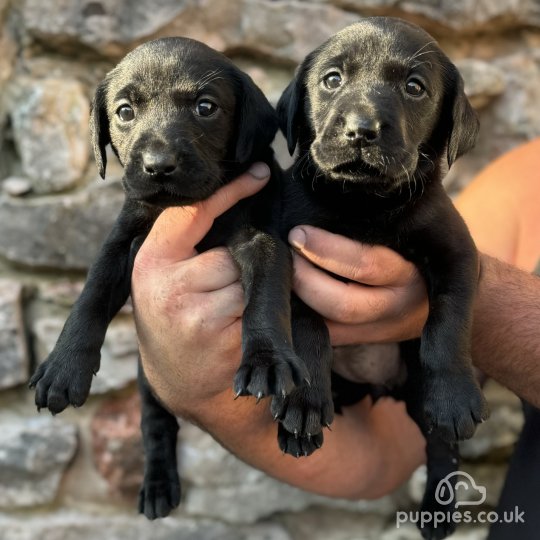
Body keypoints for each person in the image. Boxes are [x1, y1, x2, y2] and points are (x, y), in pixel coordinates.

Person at [130, 139, 540, 504]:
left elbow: (462, 281)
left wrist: (471, 305)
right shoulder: (527, 178)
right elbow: (386, 446)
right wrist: (208, 394)